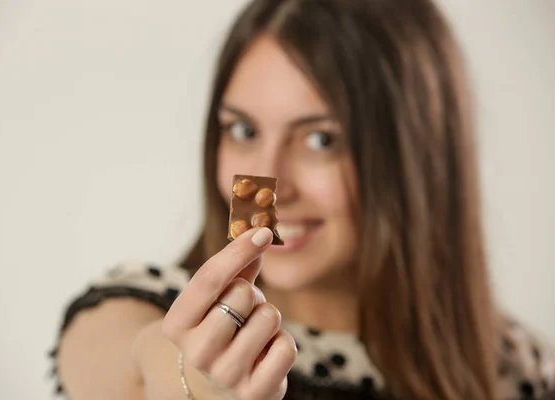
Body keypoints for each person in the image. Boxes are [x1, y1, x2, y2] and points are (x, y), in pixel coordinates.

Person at [50, 0, 555, 399]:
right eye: (243, 129)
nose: (269, 184)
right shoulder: (135, 305)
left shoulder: (521, 370)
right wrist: (191, 382)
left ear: (415, 161)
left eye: (321, 139)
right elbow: (139, 368)